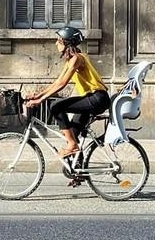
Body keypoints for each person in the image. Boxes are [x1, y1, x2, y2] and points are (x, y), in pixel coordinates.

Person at [24, 27, 110, 158]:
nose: (56, 43)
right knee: (73, 135)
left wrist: (40, 100)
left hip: (97, 98)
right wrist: (38, 95)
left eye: (59, 41)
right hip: (92, 98)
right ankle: (79, 174)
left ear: (66, 42)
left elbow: (62, 84)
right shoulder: (71, 60)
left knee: (56, 106)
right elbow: (57, 82)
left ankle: (72, 145)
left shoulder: (77, 59)